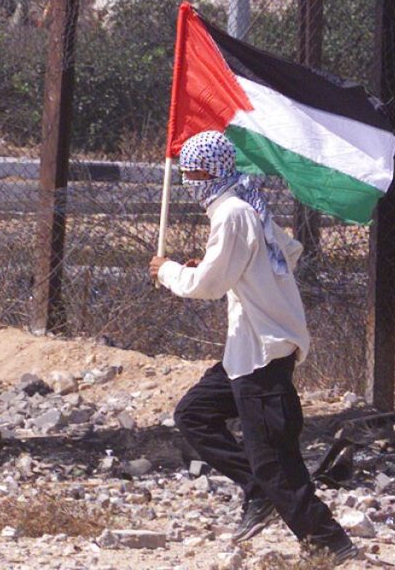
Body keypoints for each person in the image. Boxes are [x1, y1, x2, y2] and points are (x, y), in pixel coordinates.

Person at [150, 131, 359, 565]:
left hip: (263, 353)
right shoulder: (250, 208)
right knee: (195, 414)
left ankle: (328, 541)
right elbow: (289, 252)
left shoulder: (231, 213)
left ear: (205, 172)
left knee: (275, 461)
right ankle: (257, 490)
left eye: (191, 172)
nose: (188, 180)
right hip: (244, 351)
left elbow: (208, 286)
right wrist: (231, 270)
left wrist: (168, 270)